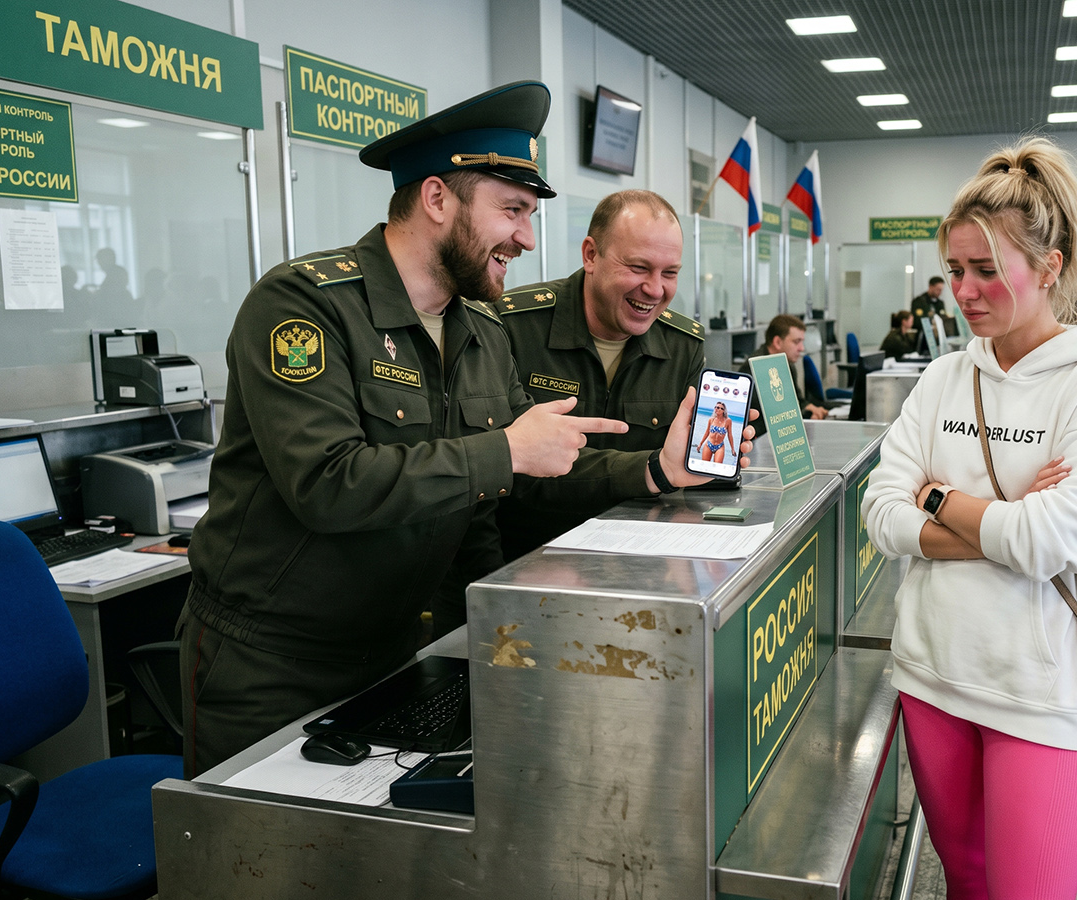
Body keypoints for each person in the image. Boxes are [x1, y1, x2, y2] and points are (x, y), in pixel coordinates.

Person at [177, 82, 750, 777]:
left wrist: (654, 471)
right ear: (437, 199)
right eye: (511, 210)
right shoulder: (302, 304)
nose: (527, 237)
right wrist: (505, 449)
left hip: (396, 647)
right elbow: (327, 484)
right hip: (271, 660)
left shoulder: (480, 328)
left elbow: (529, 476)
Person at [862, 137, 1077, 900]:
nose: (964, 290)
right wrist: (1005, 519)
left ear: (1050, 266)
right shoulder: (945, 378)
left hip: (1043, 695)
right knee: (965, 882)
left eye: (987, 270)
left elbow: (1056, 536)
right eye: (956, 270)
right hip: (932, 675)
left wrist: (938, 499)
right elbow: (880, 513)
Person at [486, 189, 708, 567]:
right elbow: (504, 470)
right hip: (529, 565)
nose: (655, 290)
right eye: (639, 268)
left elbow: (684, 477)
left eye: (669, 273)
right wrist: (654, 470)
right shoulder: (511, 326)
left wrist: (713, 460)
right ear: (591, 255)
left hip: (640, 563)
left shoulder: (683, 345)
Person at [750, 314, 828, 427]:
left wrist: (811, 409)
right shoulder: (755, 368)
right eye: (797, 342)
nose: (802, 348)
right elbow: (774, 414)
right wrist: (807, 414)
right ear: (777, 342)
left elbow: (797, 401)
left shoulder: (786, 363)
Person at [695, 400, 738, 464]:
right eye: (716, 407)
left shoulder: (728, 421)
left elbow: (730, 435)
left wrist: (732, 449)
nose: (718, 409)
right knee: (704, 465)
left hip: (719, 446)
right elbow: (707, 432)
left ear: (724, 410)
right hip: (709, 444)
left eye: (721, 408)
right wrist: (700, 444)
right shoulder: (711, 419)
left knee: (717, 466)